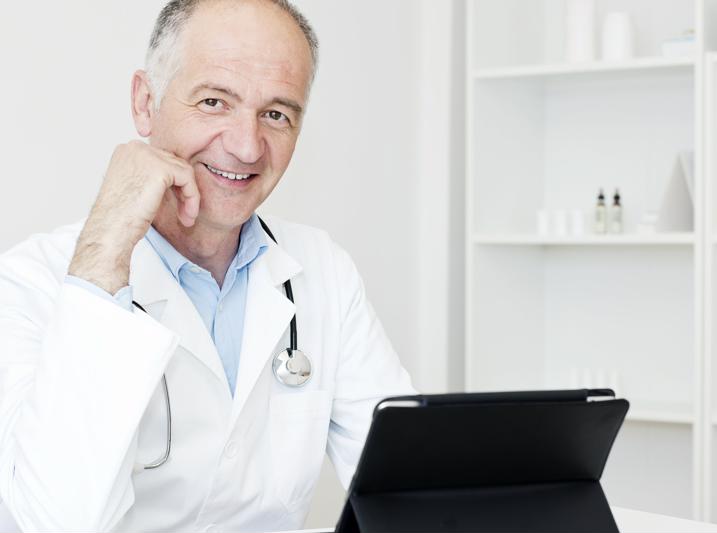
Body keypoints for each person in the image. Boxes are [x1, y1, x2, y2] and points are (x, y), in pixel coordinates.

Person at [0, 0, 415, 531]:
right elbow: (54, 521)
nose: (246, 147)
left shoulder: (323, 271)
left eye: (276, 114)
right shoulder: (30, 282)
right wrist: (105, 248)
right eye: (215, 101)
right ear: (145, 103)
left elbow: (408, 484)